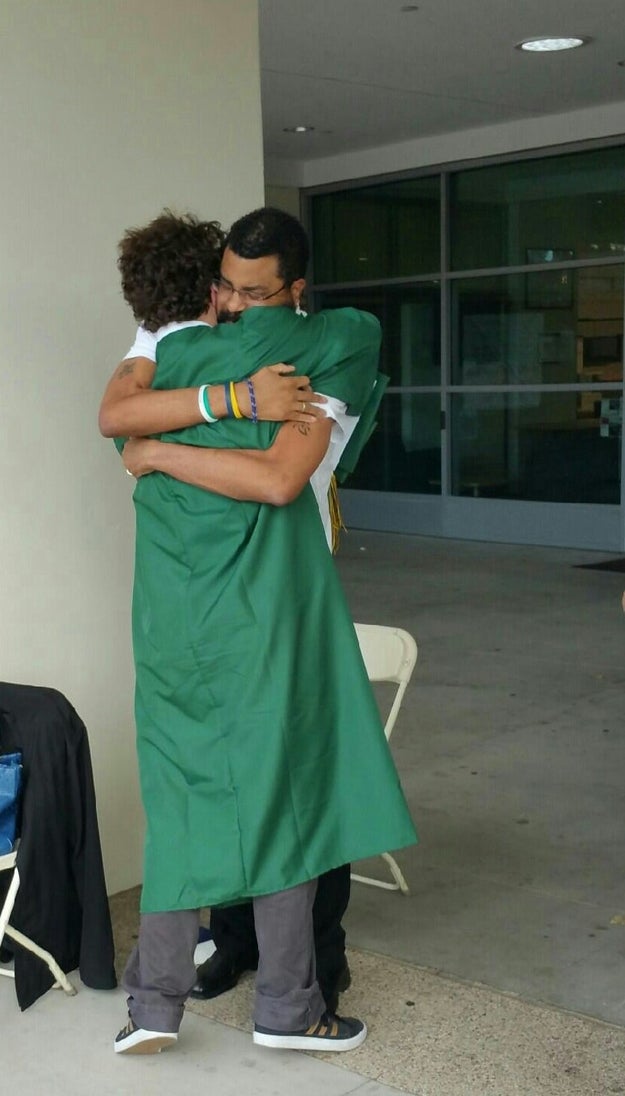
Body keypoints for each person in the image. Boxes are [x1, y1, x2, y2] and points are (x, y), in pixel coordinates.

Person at [101, 208, 417, 1056]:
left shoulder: (164, 371)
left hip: (172, 616)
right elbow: (280, 477)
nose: (238, 306)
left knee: (181, 797)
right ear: (209, 286)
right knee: (287, 797)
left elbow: (116, 418)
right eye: (228, 290)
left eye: (252, 292)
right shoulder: (326, 344)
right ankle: (286, 1005)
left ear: (289, 287)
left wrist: (161, 449)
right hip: (265, 609)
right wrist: (240, 397)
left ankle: (152, 1002)